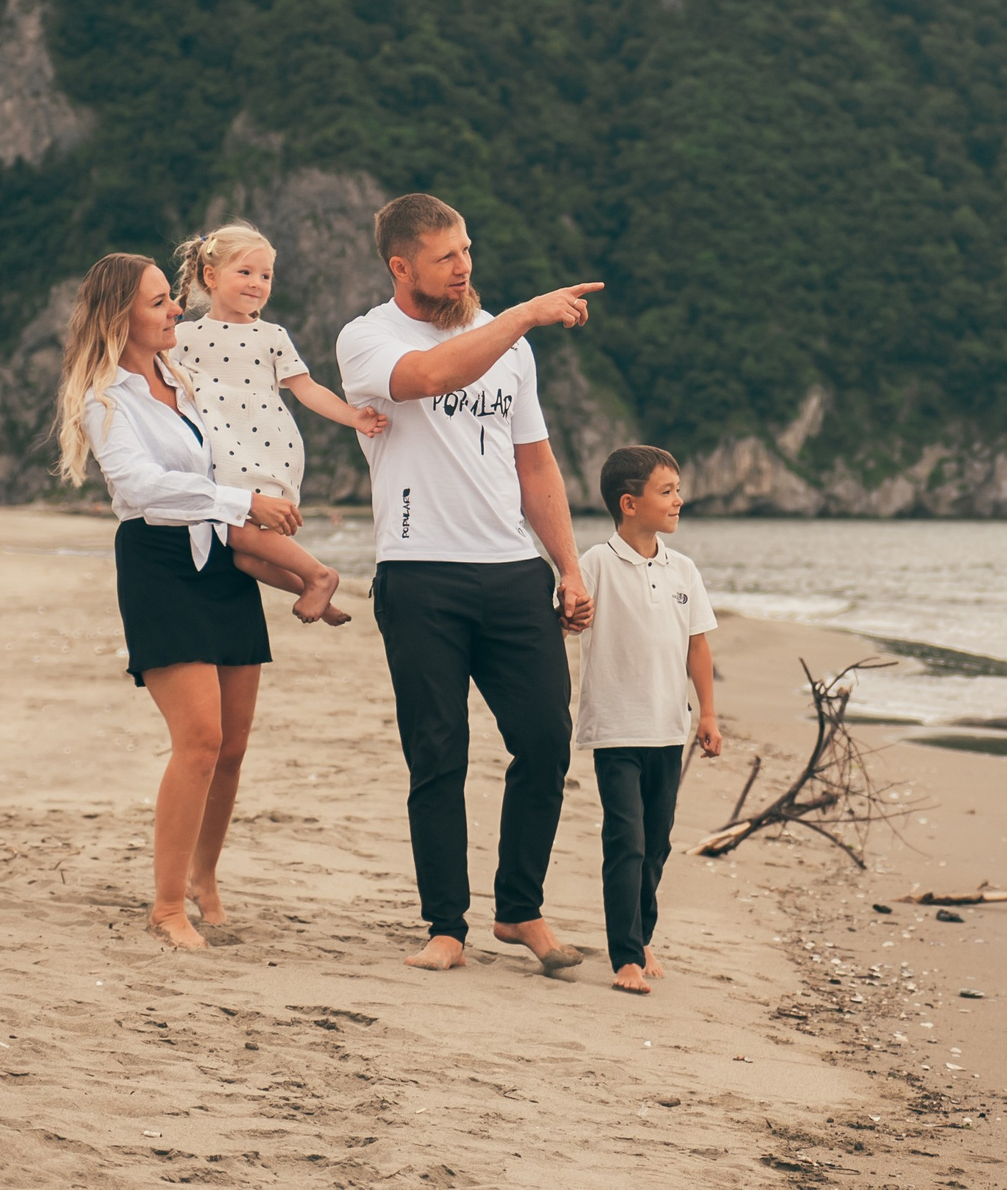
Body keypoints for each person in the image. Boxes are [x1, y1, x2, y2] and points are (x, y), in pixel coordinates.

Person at [334, 193, 603, 973]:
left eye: (468, 250)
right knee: (439, 749)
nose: (464, 265)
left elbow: (535, 462)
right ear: (402, 265)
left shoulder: (509, 348)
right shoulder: (369, 337)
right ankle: (445, 925)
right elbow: (423, 376)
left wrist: (570, 566)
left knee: (546, 741)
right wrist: (520, 315)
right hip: (420, 573)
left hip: (513, 571)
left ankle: (519, 911)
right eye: (448, 255)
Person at [54, 252, 298, 951]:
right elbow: (140, 487)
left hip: (218, 558)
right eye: (160, 303)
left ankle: (204, 876)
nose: (175, 312)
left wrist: (285, 548)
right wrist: (242, 500)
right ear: (120, 316)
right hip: (159, 563)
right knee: (198, 740)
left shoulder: (180, 379)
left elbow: (228, 452)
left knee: (233, 745)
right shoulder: (102, 397)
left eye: (172, 298)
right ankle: (167, 906)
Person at [170, 222, 389, 624]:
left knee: (239, 531)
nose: (257, 283)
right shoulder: (184, 336)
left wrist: (353, 417)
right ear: (211, 276)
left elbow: (307, 389)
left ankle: (320, 576)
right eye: (246, 272)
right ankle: (314, 586)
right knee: (246, 557)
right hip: (218, 448)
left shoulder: (271, 335)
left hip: (266, 444)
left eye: (266, 275)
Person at [576, 446, 720, 996]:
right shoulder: (593, 564)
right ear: (629, 503)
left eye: (678, 489)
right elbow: (566, 620)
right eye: (668, 492)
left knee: (656, 843)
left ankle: (642, 936)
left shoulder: (682, 569)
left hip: (669, 728)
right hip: (615, 729)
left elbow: (697, 646)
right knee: (627, 840)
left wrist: (707, 713)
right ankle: (626, 957)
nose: (679, 500)